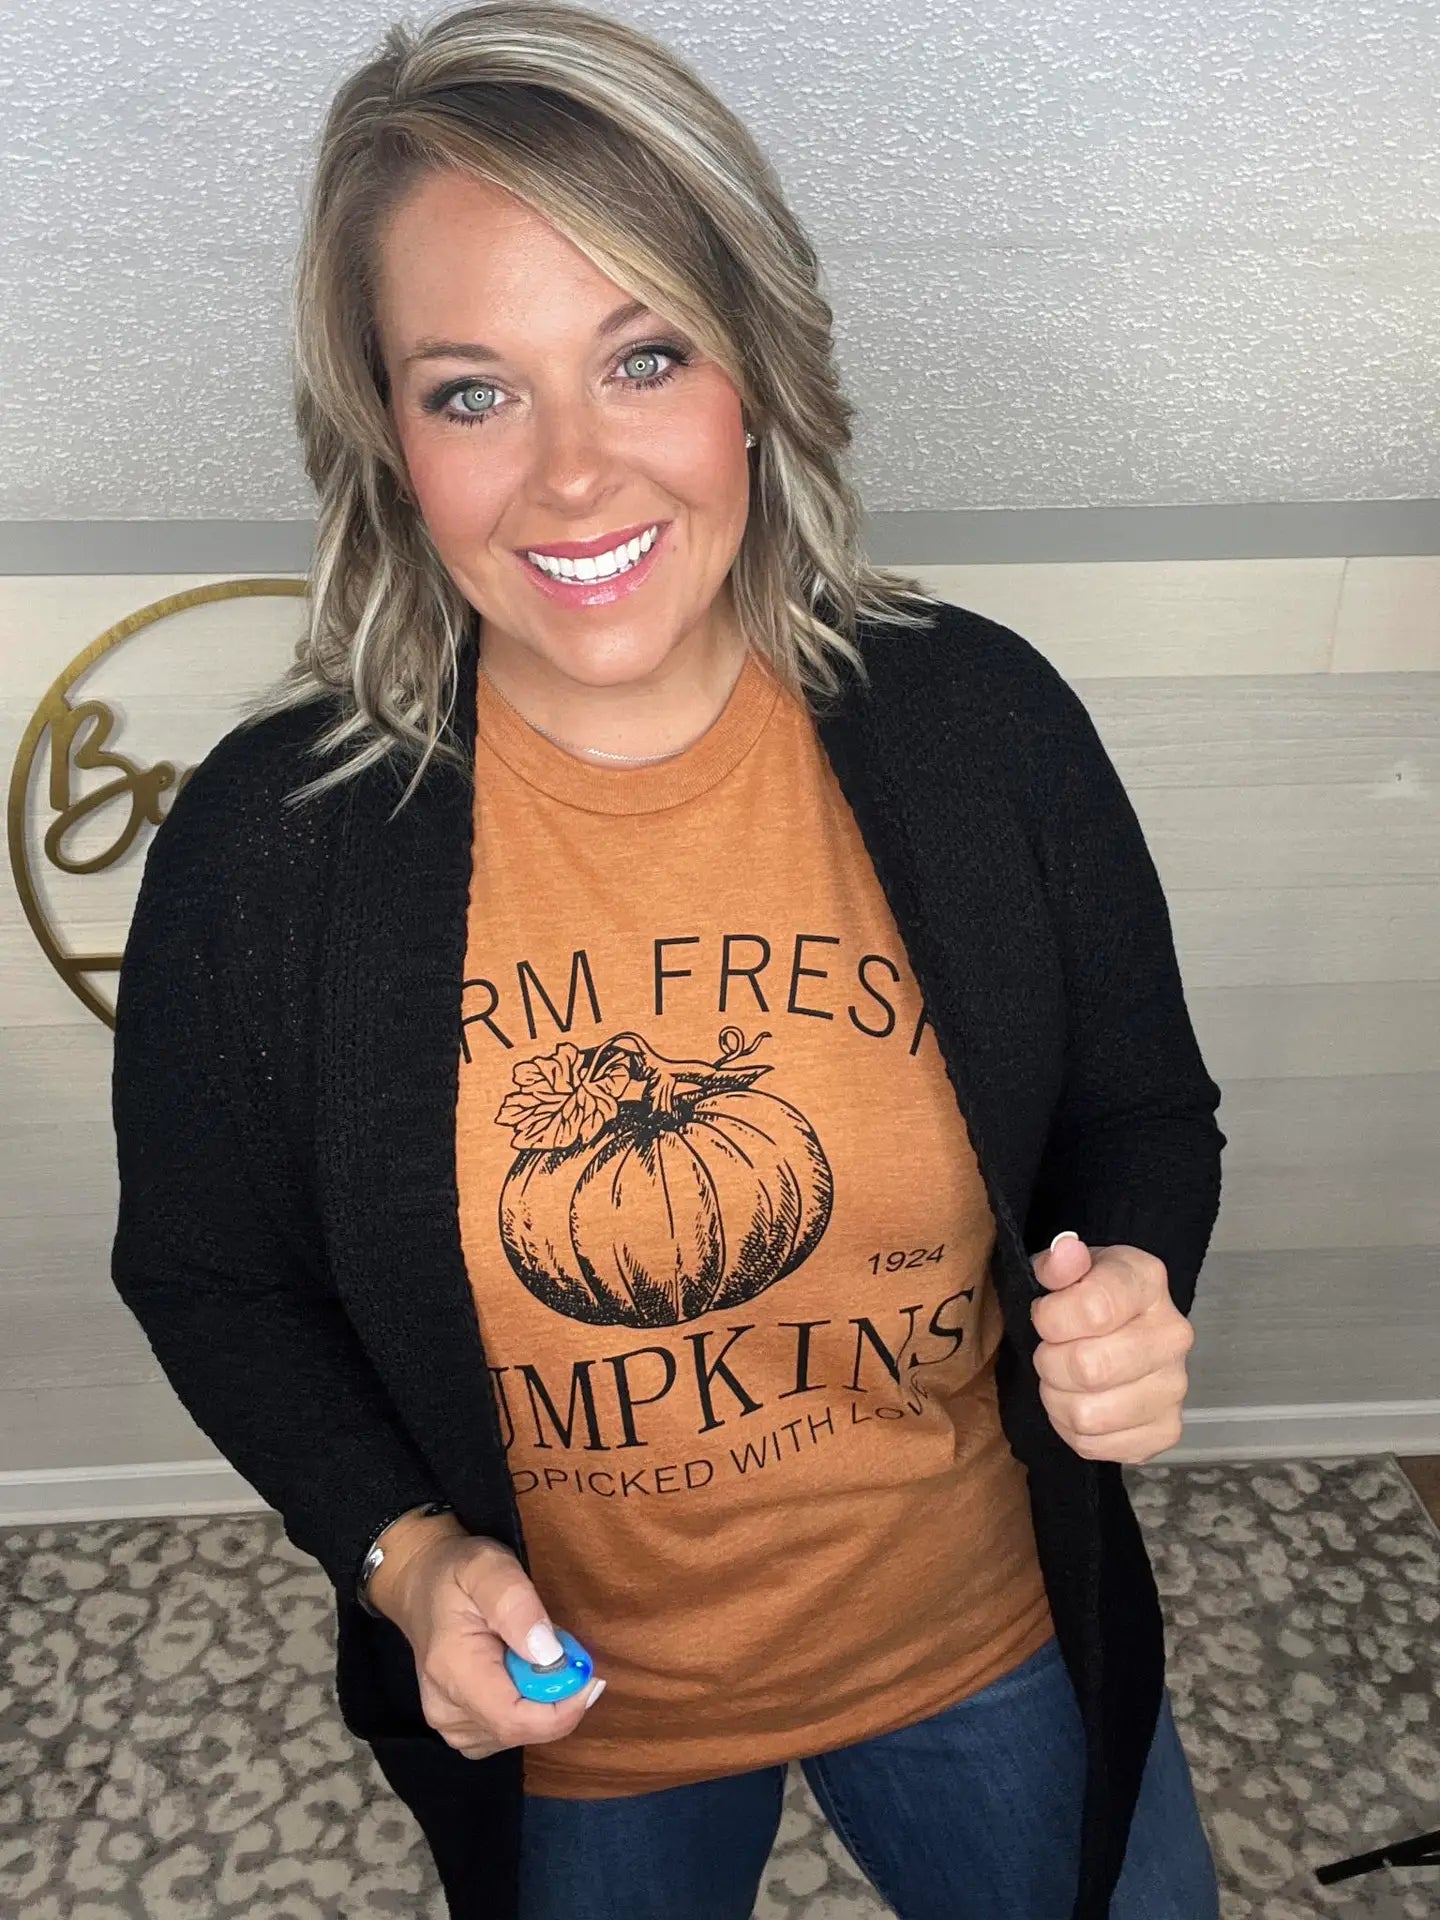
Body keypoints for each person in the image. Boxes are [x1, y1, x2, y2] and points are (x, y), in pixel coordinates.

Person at [108, 6, 1228, 1917]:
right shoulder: (266, 845)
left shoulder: (984, 727)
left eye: (642, 356)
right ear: (386, 434)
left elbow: (1143, 1114)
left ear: (755, 375)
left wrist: (1134, 1281)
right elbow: (207, 1277)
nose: (570, 478)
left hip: (981, 1629)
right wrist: (401, 1559)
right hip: (578, 1725)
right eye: (473, 391)